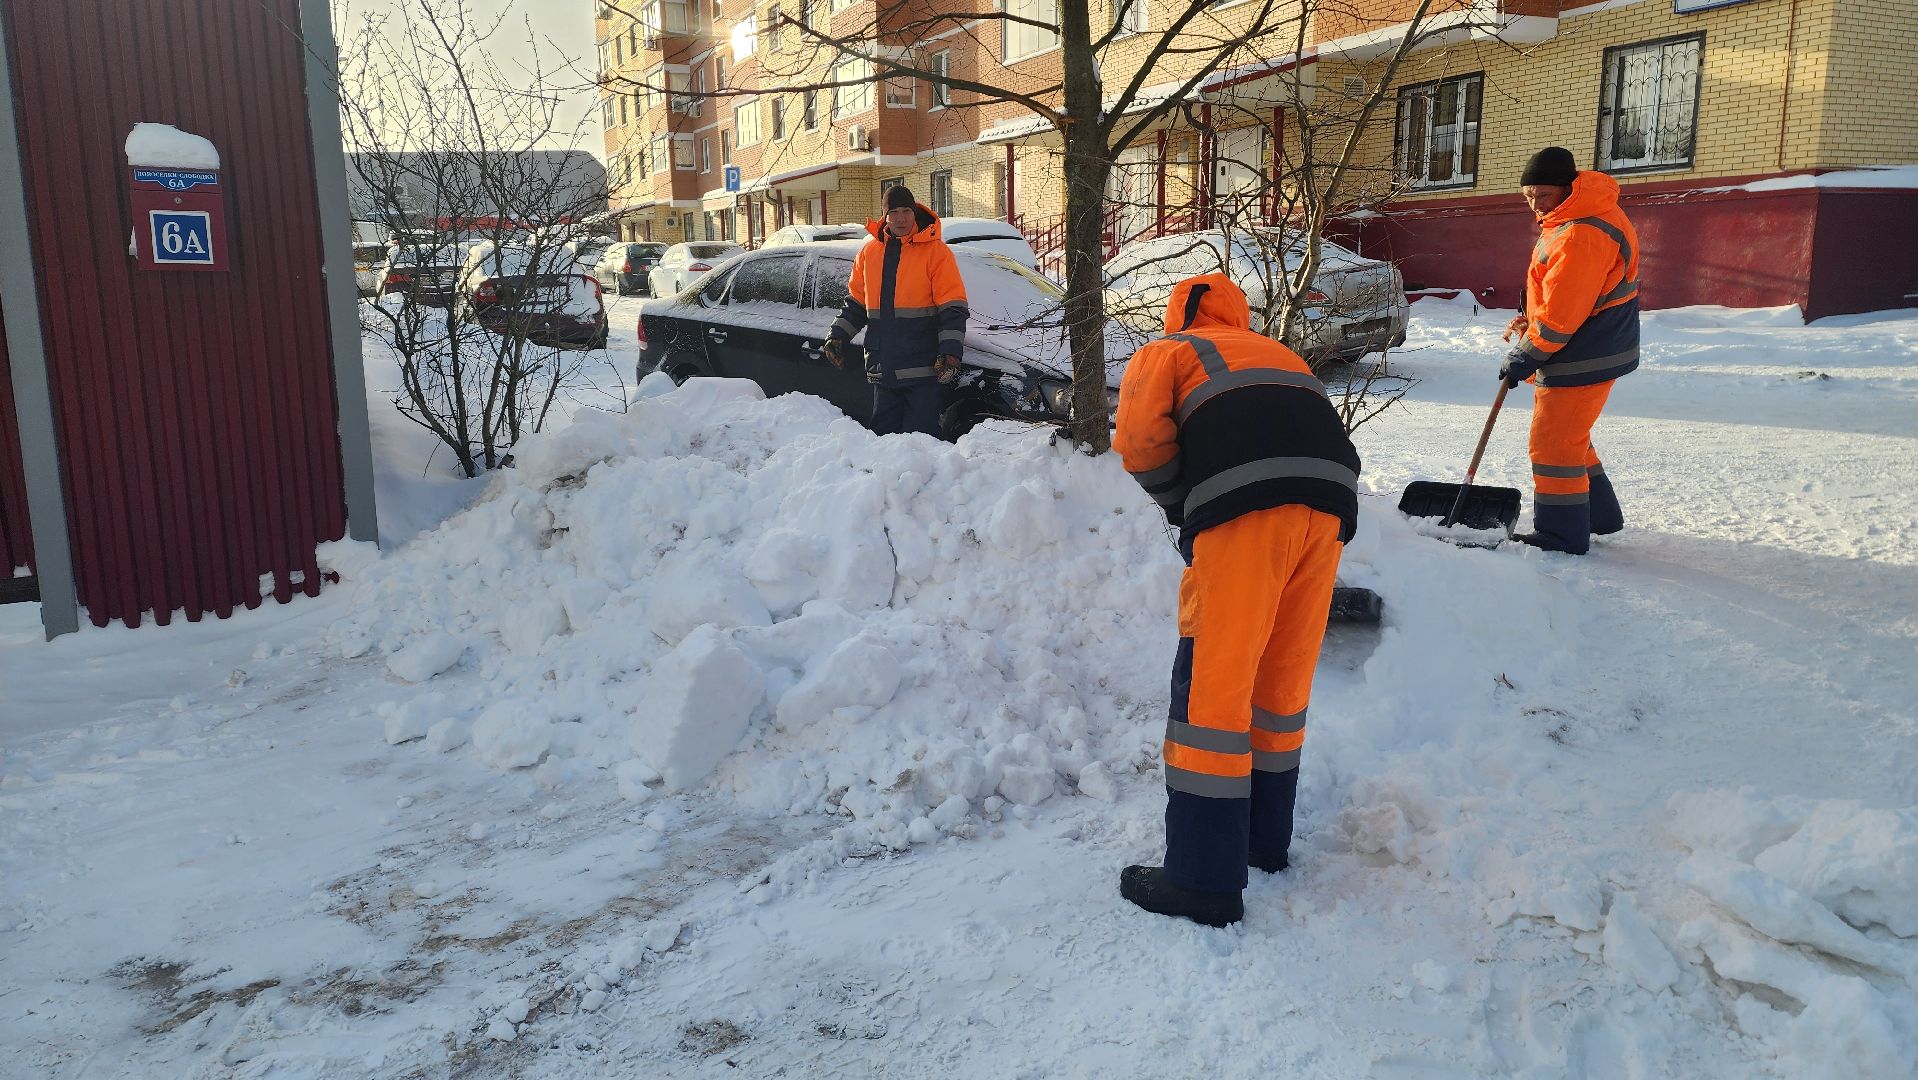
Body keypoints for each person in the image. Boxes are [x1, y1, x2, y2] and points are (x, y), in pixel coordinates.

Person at [1113, 273, 1361, 928]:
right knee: (1280, 682)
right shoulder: (1279, 354)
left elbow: (1139, 442)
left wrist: (1180, 501)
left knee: (1213, 692)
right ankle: (1261, 842)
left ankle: (1202, 880)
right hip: (1330, 507)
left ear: (1179, 315)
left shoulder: (1170, 351)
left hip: (1247, 512)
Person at [1498, 146, 1639, 554]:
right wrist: (1531, 319)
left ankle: (1561, 534)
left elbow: (1563, 312)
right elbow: (1558, 292)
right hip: (1588, 345)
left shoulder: (1582, 231)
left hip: (1585, 350)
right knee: (1573, 435)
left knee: (1554, 443)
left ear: (1567, 187)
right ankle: (1598, 516)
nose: (1534, 204)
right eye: (1528, 196)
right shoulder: (1569, 219)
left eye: (1542, 195)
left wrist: (1527, 354)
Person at [823, 185, 969, 438]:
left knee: (921, 442)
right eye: (894, 212)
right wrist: (838, 335)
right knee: (883, 442)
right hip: (884, 368)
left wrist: (950, 352)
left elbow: (952, 307)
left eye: (906, 211)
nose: (900, 218)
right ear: (885, 216)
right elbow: (857, 303)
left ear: (915, 213)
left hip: (923, 369)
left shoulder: (936, 253)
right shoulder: (869, 253)